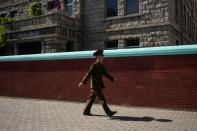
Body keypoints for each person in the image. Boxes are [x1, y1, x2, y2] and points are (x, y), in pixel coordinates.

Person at [79, 50, 117, 117]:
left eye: (103, 56)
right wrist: (83, 82)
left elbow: (105, 74)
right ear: (98, 57)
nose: (103, 57)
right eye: (102, 56)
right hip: (95, 85)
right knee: (102, 98)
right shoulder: (94, 65)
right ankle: (108, 112)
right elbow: (88, 74)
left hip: (98, 85)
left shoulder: (101, 66)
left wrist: (112, 79)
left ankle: (86, 111)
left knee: (91, 98)